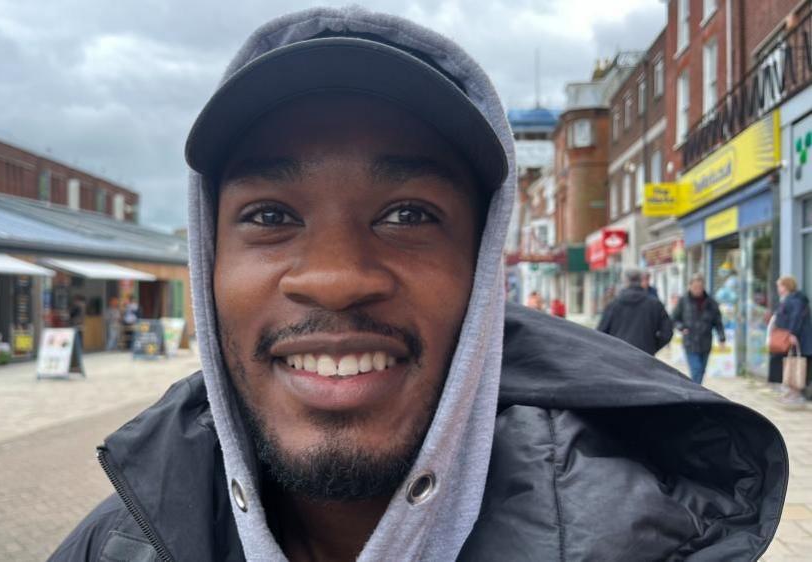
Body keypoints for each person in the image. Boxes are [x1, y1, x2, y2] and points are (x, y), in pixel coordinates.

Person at [50, 8, 786, 561]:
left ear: (482, 271)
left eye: (408, 214)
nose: (336, 279)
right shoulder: (109, 548)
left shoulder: (648, 542)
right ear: (207, 264)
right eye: (270, 215)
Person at [597, 268, 674, 355]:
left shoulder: (613, 305)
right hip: (645, 355)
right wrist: (652, 346)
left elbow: (600, 333)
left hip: (618, 356)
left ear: (625, 281)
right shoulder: (655, 304)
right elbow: (667, 332)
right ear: (641, 280)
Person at [671, 274, 725, 384]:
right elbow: (674, 318)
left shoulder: (711, 302)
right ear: (690, 286)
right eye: (695, 287)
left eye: (700, 287)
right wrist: (681, 327)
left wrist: (721, 338)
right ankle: (696, 395)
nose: (697, 290)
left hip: (706, 342)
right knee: (696, 369)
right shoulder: (683, 301)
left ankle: (696, 391)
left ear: (703, 287)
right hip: (690, 342)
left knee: (702, 370)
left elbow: (718, 322)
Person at [769, 276, 812, 405]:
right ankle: (791, 393)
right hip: (791, 336)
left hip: (797, 338)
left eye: (780, 286)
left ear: (786, 286)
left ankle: (796, 394)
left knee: (795, 364)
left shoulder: (795, 300)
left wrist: (792, 334)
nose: (778, 289)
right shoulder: (790, 299)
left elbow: (795, 318)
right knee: (790, 363)